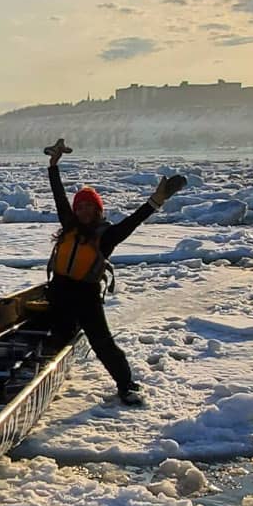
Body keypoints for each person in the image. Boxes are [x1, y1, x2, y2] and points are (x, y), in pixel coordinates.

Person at [40, 137, 185, 405]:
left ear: (97, 210)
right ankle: (40, 372)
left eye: (89, 207)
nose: (83, 211)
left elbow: (132, 222)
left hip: (85, 298)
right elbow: (58, 195)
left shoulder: (105, 236)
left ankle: (126, 384)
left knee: (103, 343)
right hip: (59, 293)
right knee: (54, 337)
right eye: (80, 206)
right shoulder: (69, 225)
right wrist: (53, 166)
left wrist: (156, 201)